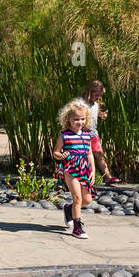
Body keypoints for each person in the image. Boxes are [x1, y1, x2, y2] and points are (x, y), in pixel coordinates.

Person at [53, 98, 96, 239]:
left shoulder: (87, 135)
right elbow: (56, 152)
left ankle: (68, 209)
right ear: (68, 119)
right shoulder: (65, 136)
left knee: (87, 200)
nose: (80, 122)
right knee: (77, 198)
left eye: (83, 119)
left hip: (84, 170)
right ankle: (77, 228)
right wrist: (61, 155)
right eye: (76, 119)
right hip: (70, 169)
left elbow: (89, 154)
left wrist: (93, 171)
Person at [81, 80, 121, 185]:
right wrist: (83, 126)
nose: (98, 97)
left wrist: (101, 115)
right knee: (83, 156)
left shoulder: (95, 103)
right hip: (82, 134)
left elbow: (94, 111)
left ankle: (108, 176)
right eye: (96, 95)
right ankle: (83, 177)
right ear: (89, 92)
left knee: (100, 154)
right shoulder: (82, 104)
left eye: (100, 95)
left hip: (93, 133)